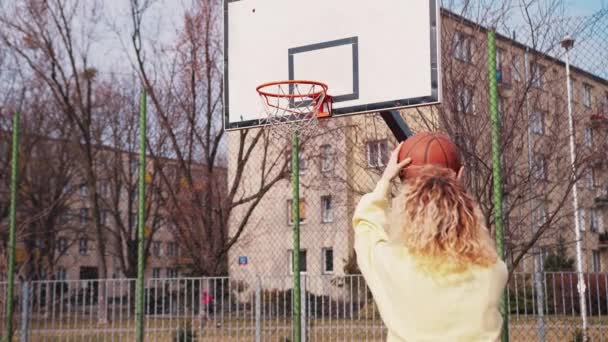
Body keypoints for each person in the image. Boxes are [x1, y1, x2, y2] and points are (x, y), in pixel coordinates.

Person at [353, 142, 508, 342]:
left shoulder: (391, 264)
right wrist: (454, 188)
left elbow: (366, 225)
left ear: (409, 212)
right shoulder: (494, 270)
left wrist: (385, 180)